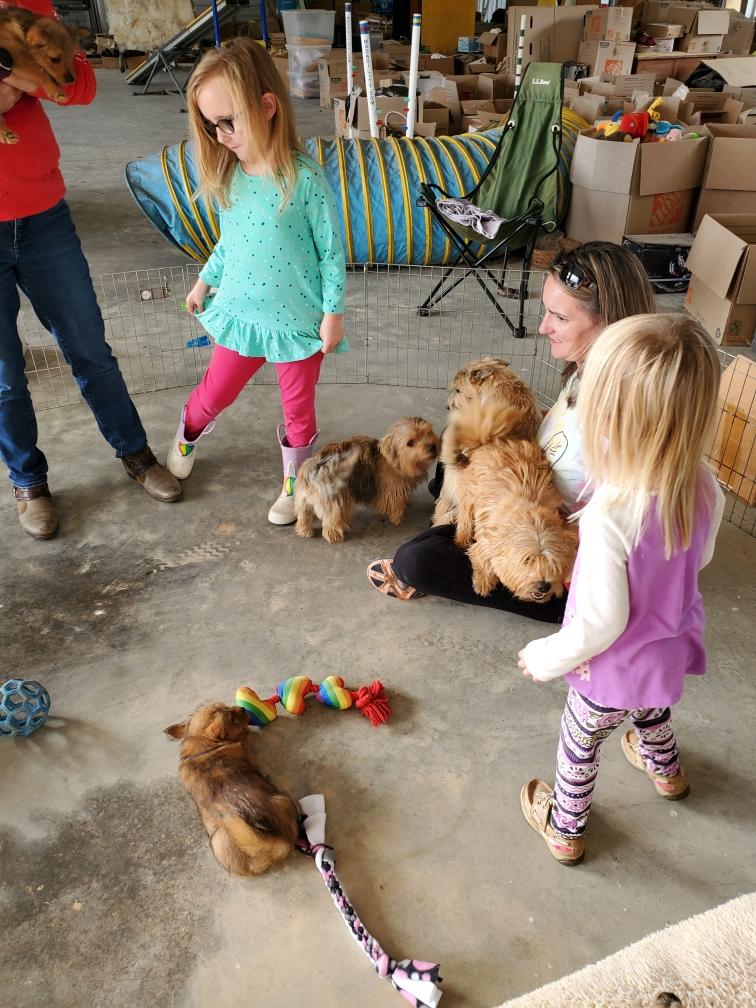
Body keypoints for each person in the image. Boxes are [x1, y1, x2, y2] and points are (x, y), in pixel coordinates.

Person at [518, 314, 724, 866]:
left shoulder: (610, 514)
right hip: (669, 647)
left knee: (580, 744)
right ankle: (668, 774)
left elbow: (600, 624)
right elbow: (699, 559)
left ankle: (565, 828)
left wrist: (546, 656)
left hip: (608, 671)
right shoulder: (704, 486)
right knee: (651, 709)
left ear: (613, 422)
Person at [366, 241, 656, 622]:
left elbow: (626, 531)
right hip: (519, 498)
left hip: (554, 559)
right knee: (451, 448)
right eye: (546, 312)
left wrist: (511, 528)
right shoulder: (585, 371)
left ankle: (539, 595)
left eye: (560, 318)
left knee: (416, 560)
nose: (544, 327)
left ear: (609, 323)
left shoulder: (626, 419)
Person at [0, 0, 181, 542]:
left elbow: (76, 87)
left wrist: (13, 71)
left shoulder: (29, 9)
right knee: (4, 374)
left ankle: (135, 452)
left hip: (43, 214)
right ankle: (28, 481)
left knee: (89, 347)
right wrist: (24, 76)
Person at [167, 38, 347, 526]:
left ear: (267, 106)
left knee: (299, 410)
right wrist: (204, 282)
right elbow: (232, 245)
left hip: (298, 322)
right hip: (242, 314)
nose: (221, 136)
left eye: (228, 121)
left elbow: (331, 253)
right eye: (211, 125)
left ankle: (296, 484)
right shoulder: (231, 177)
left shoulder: (305, 180)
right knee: (216, 392)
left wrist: (333, 313)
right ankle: (187, 432)